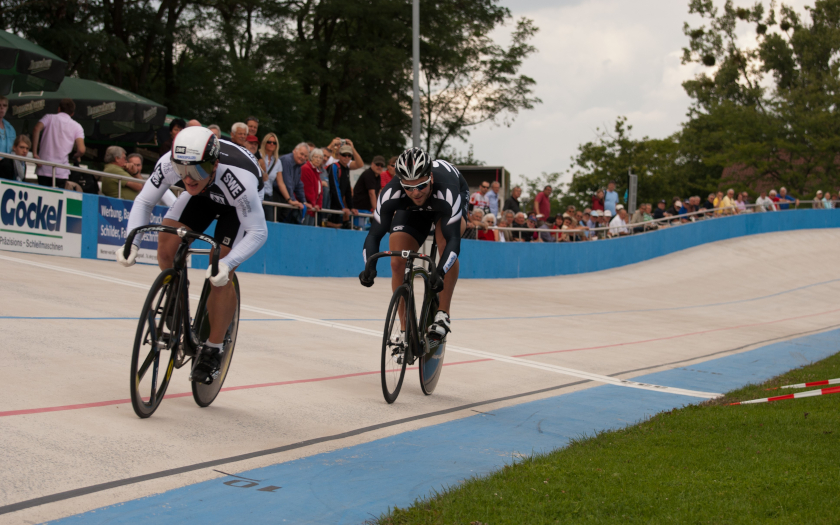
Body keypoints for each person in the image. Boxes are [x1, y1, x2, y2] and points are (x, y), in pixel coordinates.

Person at [117, 127, 267, 385]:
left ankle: (214, 348)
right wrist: (132, 241)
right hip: (204, 195)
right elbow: (144, 202)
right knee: (166, 247)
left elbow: (258, 231)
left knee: (219, 272)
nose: (187, 178)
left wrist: (228, 264)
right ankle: (177, 295)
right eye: (182, 171)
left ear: (214, 164)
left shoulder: (238, 180)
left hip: (236, 207)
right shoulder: (172, 165)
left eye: (196, 170)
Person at [359, 148, 468, 344]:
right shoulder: (391, 193)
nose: (415, 192)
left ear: (431, 178)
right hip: (412, 210)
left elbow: (454, 241)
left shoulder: (447, 189)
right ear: (400, 183)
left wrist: (440, 272)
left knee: (444, 243)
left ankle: (443, 314)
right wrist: (369, 267)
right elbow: (374, 235)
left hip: (445, 203)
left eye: (421, 185)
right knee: (397, 262)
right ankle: (404, 329)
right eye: (408, 187)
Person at [31, 98, 85, 187]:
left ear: (59, 109)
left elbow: (36, 129)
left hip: (43, 167)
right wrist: (76, 156)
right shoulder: (77, 126)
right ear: (72, 113)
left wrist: (35, 153)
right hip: (61, 171)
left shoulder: (49, 117)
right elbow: (81, 150)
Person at [324, 142, 362, 227]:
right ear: (339, 155)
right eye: (344, 155)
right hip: (330, 204)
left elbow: (348, 190)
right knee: (330, 225)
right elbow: (335, 188)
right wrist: (342, 207)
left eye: (349, 156)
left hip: (337, 206)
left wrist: (351, 207)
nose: (346, 157)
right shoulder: (334, 167)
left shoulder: (346, 168)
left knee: (337, 226)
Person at [275, 143, 309, 223]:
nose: (303, 157)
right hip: (278, 196)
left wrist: (304, 201)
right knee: (276, 222)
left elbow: (298, 185)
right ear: (294, 151)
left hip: (286, 198)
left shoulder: (298, 165)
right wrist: (292, 200)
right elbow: (287, 183)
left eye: (305, 156)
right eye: (301, 154)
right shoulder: (287, 160)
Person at [352, 155, 385, 229]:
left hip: (366, 209)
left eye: (381, 165)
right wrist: (376, 210)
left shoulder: (377, 176)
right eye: (377, 164)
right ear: (372, 164)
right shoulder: (369, 174)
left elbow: (377, 194)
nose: (379, 167)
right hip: (359, 208)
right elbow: (371, 194)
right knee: (359, 229)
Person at [259, 133, 281, 220]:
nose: (272, 144)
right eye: (269, 142)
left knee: (269, 223)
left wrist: (289, 199)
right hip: (257, 194)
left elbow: (281, 183)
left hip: (268, 196)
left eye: (274, 143)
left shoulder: (277, 161)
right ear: (265, 143)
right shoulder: (258, 156)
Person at [301, 148, 325, 226]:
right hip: (307, 207)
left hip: (313, 208)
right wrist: (314, 204)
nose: (318, 160)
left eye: (320, 158)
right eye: (316, 157)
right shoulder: (306, 168)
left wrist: (319, 205)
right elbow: (308, 189)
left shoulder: (317, 171)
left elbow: (320, 191)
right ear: (311, 157)